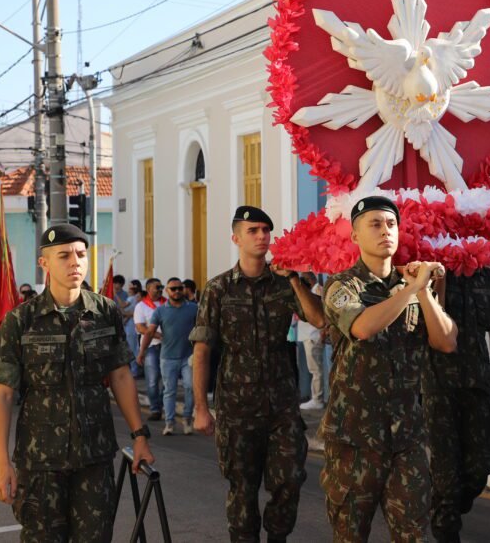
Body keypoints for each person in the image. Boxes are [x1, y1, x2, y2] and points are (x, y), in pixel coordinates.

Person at [0, 223, 155, 542]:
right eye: (64, 255)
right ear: (44, 263)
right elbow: (3, 393)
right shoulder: (21, 320)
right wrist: (0, 461)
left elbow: (120, 375)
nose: (74, 262)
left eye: (80, 254)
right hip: (39, 463)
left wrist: (140, 436)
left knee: (96, 537)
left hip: (95, 458)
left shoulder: (105, 312)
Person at [320, 196, 458, 541]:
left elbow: (446, 341)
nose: (386, 231)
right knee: (351, 535)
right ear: (355, 237)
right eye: (375, 224)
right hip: (354, 441)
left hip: (406, 438)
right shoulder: (341, 286)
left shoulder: (412, 286)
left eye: (392, 224)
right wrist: (411, 288)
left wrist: (423, 292)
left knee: (413, 534)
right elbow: (363, 328)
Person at [190, 206, 324, 543]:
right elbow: (202, 351)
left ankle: (278, 536)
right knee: (243, 488)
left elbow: (318, 320)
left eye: (266, 230)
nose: (262, 236)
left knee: (290, 479)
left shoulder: (284, 283)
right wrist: (201, 408)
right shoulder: (218, 289)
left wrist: (294, 278)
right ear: (236, 238)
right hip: (237, 409)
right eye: (253, 230)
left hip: (281, 406)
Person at [424, 267, 490, 542]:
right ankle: (445, 517)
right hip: (439, 387)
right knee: (447, 481)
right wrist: (438, 280)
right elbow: (436, 322)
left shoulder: (487, 276)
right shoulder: (433, 270)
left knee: (481, 468)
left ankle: (443, 506)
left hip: (479, 386)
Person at [139, 277, 198, 436]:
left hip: (188, 357)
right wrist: (142, 352)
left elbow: (201, 329)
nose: (177, 291)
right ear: (168, 291)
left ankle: (187, 419)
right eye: (173, 289)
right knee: (169, 391)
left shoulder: (193, 308)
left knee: (190, 387)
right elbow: (150, 332)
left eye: (180, 288)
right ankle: (169, 423)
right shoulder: (160, 311)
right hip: (167, 358)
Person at [135, 278, 165, 420]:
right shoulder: (141, 306)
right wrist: (159, 335)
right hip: (151, 346)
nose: (160, 289)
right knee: (152, 380)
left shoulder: (168, 303)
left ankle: (160, 404)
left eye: (161, 287)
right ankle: (155, 408)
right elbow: (140, 327)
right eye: (156, 287)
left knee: (167, 380)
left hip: (168, 347)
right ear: (148, 289)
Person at [298, 273, 327, 411]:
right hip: (309, 335)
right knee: (313, 369)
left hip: (313, 335)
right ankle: (316, 398)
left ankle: (317, 399)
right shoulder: (313, 290)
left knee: (316, 370)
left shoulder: (317, 290)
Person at [123, 278, 143, 378]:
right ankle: (133, 369)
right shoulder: (131, 297)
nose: (129, 288)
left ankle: (134, 370)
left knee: (133, 347)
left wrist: (114, 294)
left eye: (131, 286)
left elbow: (123, 307)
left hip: (133, 325)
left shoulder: (134, 298)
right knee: (131, 346)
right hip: (129, 324)